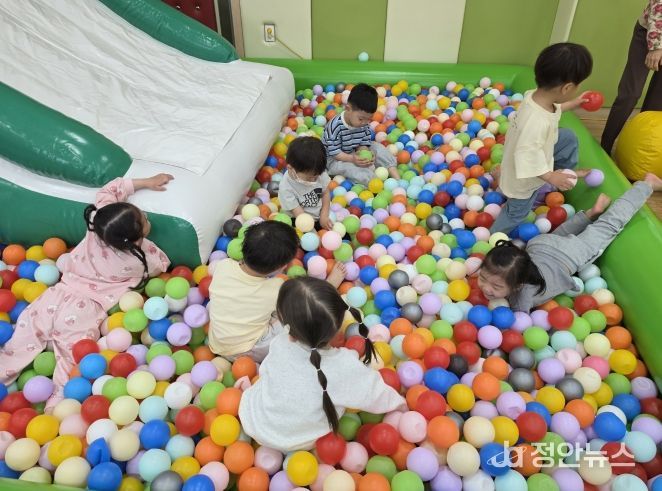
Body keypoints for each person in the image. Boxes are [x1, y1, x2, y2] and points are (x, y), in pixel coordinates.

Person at [0, 174, 173, 411]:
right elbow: (161, 263)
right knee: (71, 359)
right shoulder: (137, 258)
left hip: (55, 294)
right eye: (144, 220)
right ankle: (57, 406)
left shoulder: (97, 224)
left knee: (19, 343)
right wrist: (145, 246)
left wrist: (143, 182)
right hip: (84, 309)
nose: (145, 216)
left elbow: (108, 192)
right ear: (133, 240)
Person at [239, 276, 407, 453]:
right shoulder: (344, 367)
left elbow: (267, 372)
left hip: (255, 422)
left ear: (291, 333)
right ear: (338, 325)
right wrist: (401, 404)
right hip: (299, 440)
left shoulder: (280, 343)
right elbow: (374, 393)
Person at [478, 173, 662, 313]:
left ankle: (647, 184)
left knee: (609, 225)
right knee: (559, 236)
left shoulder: (521, 301)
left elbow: (518, 325)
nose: (486, 288)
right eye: (483, 278)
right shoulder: (515, 266)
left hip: (570, 255)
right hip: (539, 244)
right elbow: (559, 235)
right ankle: (590, 214)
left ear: (518, 285)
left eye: (496, 286)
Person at [490, 43, 595, 235]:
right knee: (516, 213)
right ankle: (492, 237)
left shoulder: (535, 96)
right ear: (567, 87)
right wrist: (550, 176)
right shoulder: (536, 122)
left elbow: (553, 110)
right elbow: (527, 155)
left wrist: (573, 103)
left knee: (567, 137)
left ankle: (562, 175)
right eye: (578, 84)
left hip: (524, 157)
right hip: (522, 180)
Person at [208, 220, 346, 362]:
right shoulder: (276, 289)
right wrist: (330, 285)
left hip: (217, 341)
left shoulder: (223, 266)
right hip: (249, 350)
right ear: (281, 267)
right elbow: (307, 303)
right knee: (298, 318)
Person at [601, 0, 662, 155]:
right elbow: (658, 7)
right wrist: (656, 47)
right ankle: (604, 146)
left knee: (656, 103)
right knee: (630, 94)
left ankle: (638, 151)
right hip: (650, 32)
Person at [322, 83, 400, 185]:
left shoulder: (364, 123)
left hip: (353, 151)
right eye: (361, 119)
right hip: (335, 159)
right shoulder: (334, 126)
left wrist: (366, 153)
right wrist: (352, 159)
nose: (365, 123)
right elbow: (335, 153)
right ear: (348, 109)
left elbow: (363, 143)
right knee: (354, 170)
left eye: (369, 119)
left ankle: (396, 177)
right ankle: (375, 184)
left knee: (378, 148)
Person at [278, 136, 332, 230]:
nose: (314, 180)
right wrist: (313, 232)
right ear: (291, 169)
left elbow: (325, 193)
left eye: (316, 177)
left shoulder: (317, 172)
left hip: (319, 214)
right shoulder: (286, 188)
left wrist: (324, 215)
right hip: (298, 218)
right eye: (309, 178)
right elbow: (301, 217)